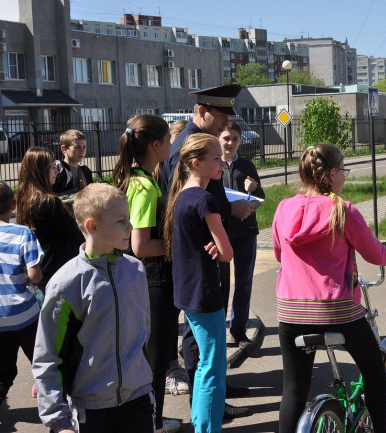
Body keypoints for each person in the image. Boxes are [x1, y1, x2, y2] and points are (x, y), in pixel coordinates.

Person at [272, 143, 386, 433]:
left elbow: (279, 254)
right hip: (336, 310)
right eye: (344, 171)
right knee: (374, 370)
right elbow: (374, 253)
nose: (345, 178)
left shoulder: (283, 208)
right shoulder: (342, 210)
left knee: (294, 386)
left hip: (290, 311)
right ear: (332, 174)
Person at [163, 84, 256, 419]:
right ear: (202, 112)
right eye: (219, 118)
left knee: (210, 355)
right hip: (201, 262)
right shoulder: (187, 148)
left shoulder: (203, 146)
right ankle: (204, 407)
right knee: (201, 349)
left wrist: (227, 211)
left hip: (209, 254)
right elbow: (182, 203)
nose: (223, 126)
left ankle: (215, 396)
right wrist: (221, 218)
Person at [32, 183, 155, 433]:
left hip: (138, 400)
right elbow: (47, 357)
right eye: (121, 221)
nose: (130, 227)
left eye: (129, 219)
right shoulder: (66, 283)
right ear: (92, 226)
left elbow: (144, 331)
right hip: (92, 409)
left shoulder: (135, 270)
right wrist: (59, 420)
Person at [112, 116, 181, 433]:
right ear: (155, 145)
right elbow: (139, 245)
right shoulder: (142, 186)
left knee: (150, 355)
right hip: (152, 280)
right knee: (154, 357)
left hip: (150, 279)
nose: (171, 145)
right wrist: (177, 246)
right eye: (168, 140)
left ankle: (149, 419)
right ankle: (152, 422)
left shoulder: (143, 178)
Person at [163, 133, 234, 433]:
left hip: (188, 290)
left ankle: (204, 424)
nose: (221, 162)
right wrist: (220, 249)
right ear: (196, 163)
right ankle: (206, 428)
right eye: (216, 158)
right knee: (212, 368)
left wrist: (217, 248)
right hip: (205, 292)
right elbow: (228, 253)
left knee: (207, 363)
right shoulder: (205, 199)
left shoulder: (181, 195)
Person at [219, 121, 265, 347]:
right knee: (221, 282)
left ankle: (238, 330)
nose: (230, 143)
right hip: (221, 231)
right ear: (219, 139)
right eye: (226, 138)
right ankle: (219, 327)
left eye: (235, 139)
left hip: (246, 231)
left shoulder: (246, 165)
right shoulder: (213, 164)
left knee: (244, 281)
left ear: (240, 141)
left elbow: (261, 197)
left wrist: (254, 190)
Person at [15, 147, 84, 291]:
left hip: (38, 266)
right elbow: (75, 236)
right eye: (53, 167)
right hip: (58, 269)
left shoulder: (24, 199)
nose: (57, 172)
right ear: (41, 171)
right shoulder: (49, 202)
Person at [0, 182, 43, 408]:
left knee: (4, 371)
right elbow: (34, 275)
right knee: (42, 360)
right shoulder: (22, 233)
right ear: (13, 205)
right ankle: (56, 408)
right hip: (24, 315)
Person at [52, 129, 93, 195]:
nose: (82, 151)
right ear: (64, 149)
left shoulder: (86, 171)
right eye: (77, 147)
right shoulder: (57, 171)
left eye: (84, 147)